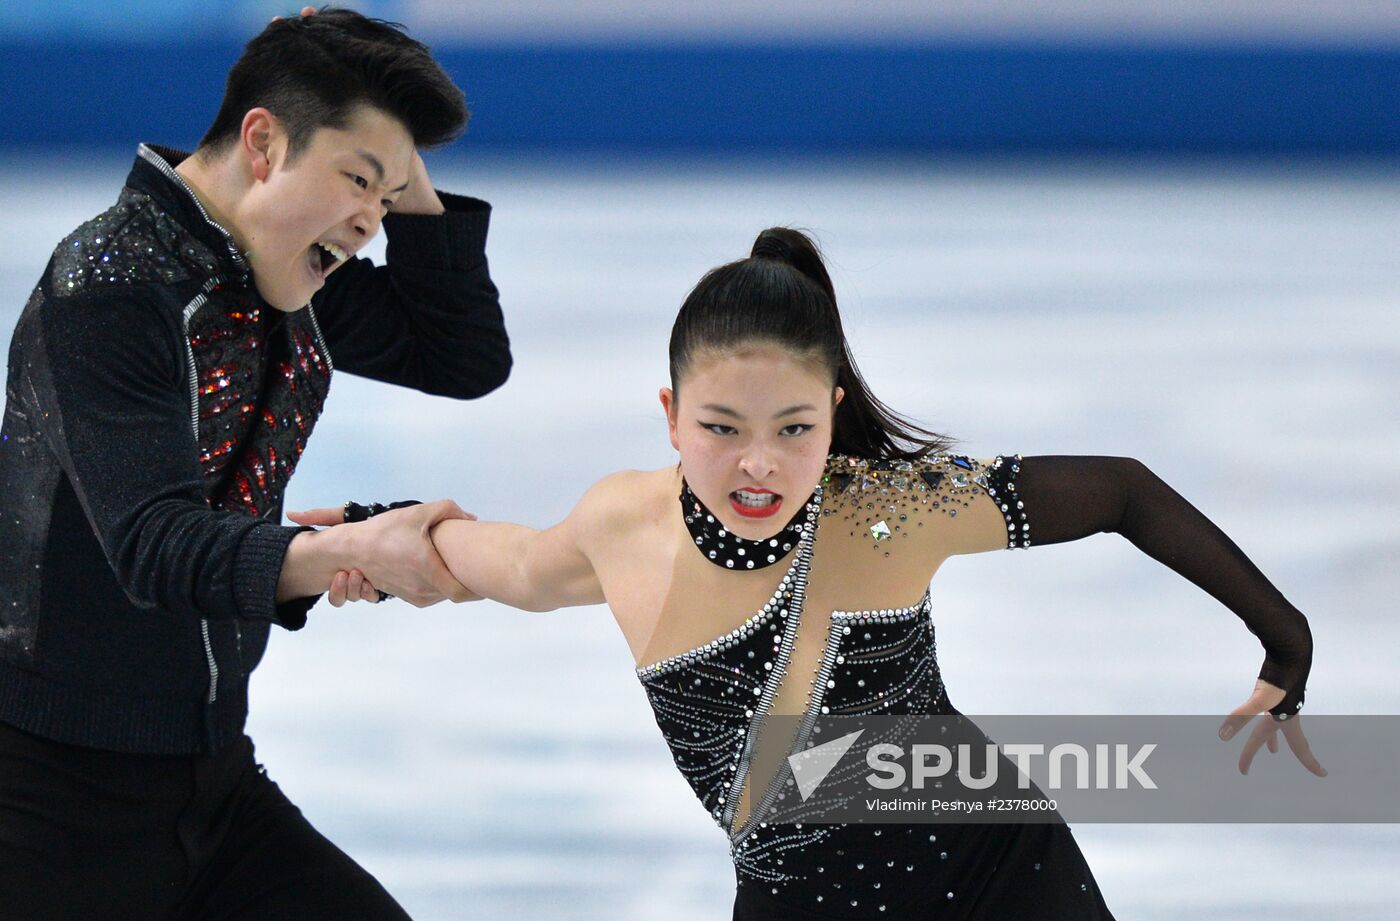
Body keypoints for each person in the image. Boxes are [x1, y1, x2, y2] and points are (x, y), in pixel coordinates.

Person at [307, 227, 1321, 919]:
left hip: (995, 868)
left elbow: (1122, 492)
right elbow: (507, 565)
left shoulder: (888, 512)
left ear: (832, 414)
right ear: (668, 416)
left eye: (793, 429)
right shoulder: (620, 525)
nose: (758, 463)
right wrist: (363, 533)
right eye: (719, 428)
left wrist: (1285, 639)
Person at [0, 8, 507, 919]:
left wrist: (390, 154)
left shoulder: (280, 268)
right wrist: (336, 554)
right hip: (47, 805)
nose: (370, 224)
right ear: (263, 142)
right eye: (356, 181)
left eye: (383, 201)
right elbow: (158, 544)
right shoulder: (111, 290)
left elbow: (459, 357)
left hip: (213, 783)